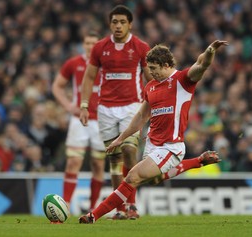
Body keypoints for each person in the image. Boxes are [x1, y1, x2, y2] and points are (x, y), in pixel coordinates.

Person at [79, 40, 227, 224]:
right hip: (152, 145)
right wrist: (121, 138)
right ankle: (199, 161)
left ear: (166, 65)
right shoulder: (151, 86)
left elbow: (202, 64)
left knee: (132, 177)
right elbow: (141, 116)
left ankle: (93, 216)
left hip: (171, 147)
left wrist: (211, 50)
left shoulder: (183, 80)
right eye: (148, 68)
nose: (151, 72)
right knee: (153, 179)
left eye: (154, 68)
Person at [79, 4, 153, 220]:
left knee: (130, 151)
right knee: (114, 159)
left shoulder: (140, 47)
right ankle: (119, 208)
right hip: (106, 110)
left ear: (130, 24)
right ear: (109, 24)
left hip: (132, 107)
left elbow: (149, 78)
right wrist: (84, 105)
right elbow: (89, 77)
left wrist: (157, 103)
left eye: (122, 22)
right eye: (114, 22)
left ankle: (132, 205)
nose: (118, 26)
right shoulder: (100, 47)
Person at [52, 31, 106, 213]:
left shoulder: (107, 64)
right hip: (79, 120)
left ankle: (93, 208)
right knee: (73, 162)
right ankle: (65, 205)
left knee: (98, 165)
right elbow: (57, 86)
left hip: (101, 121)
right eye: (88, 43)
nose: (91, 46)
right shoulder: (74, 63)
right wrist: (68, 106)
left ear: (99, 45)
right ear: (83, 45)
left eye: (94, 43)